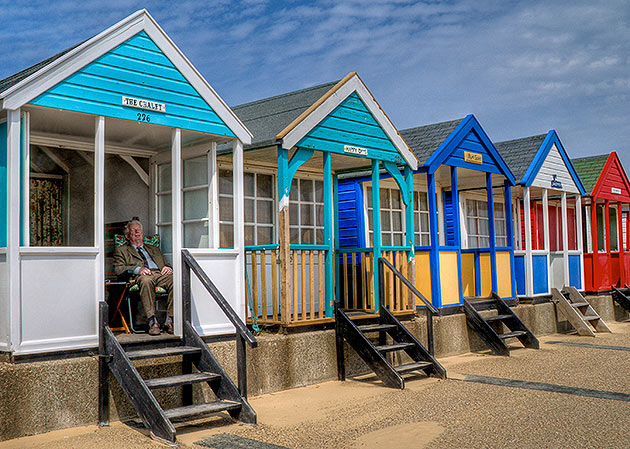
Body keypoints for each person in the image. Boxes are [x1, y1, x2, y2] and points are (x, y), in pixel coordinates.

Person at [113, 219, 173, 335]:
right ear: (127, 236)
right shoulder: (121, 250)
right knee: (146, 280)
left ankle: (170, 321)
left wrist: (167, 267)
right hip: (140, 276)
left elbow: (166, 263)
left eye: (139, 230)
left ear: (143, 233)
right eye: (133, 231)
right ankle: (152, 322)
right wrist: (137, 269)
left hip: (159, 274)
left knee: (176, 279)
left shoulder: (154, 249)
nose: (137, 233)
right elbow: (118, 269)